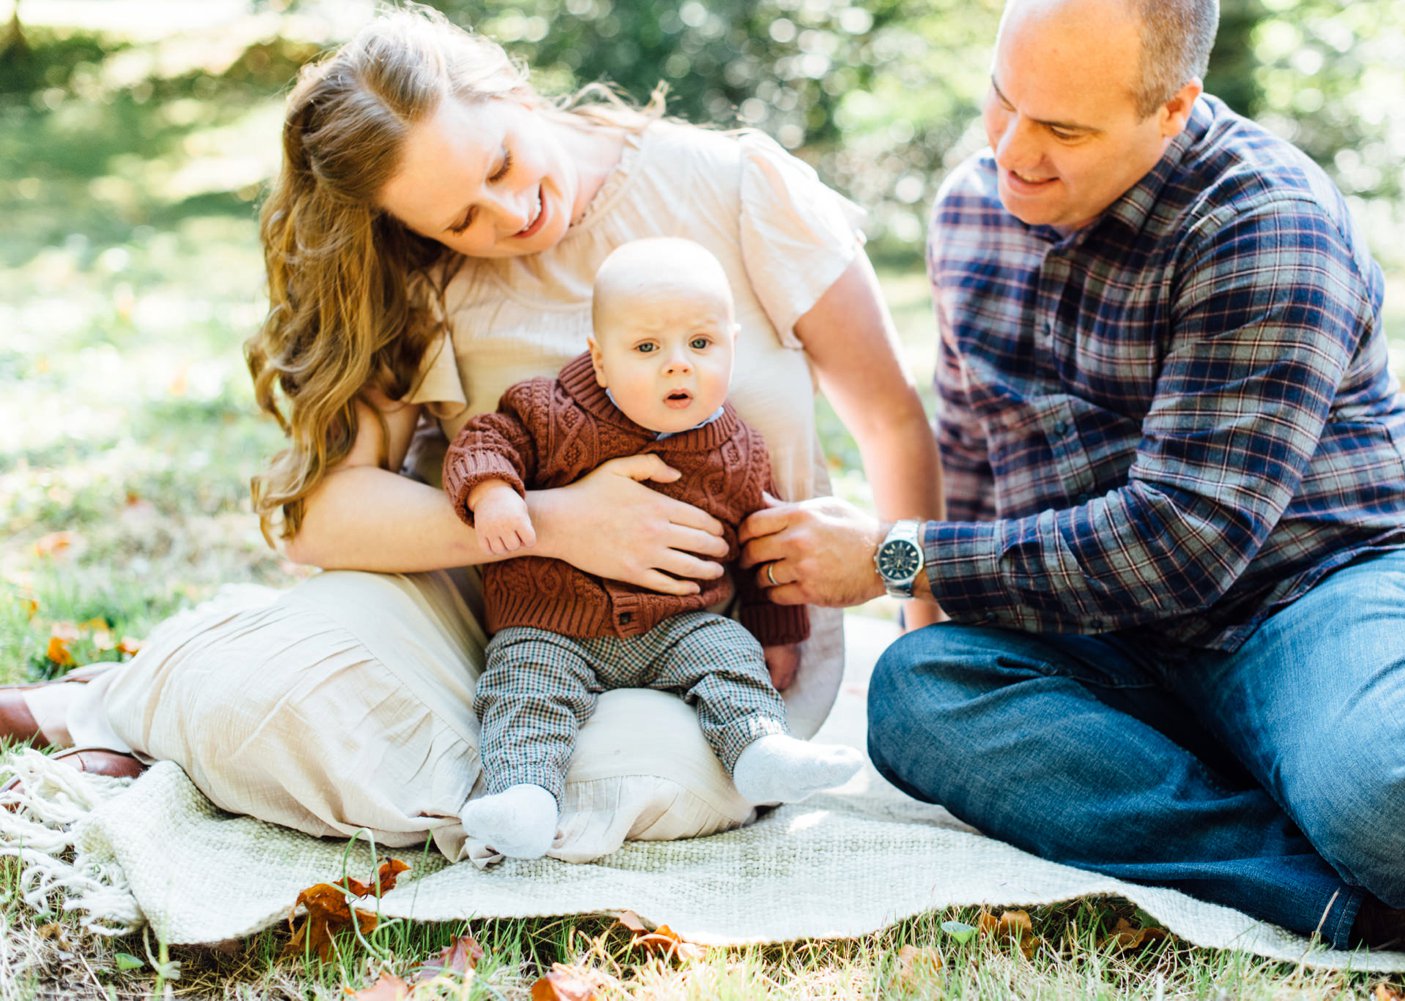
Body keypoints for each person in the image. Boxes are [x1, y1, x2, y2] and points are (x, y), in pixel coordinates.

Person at [0, 5, 940, 863]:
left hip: (716, 645)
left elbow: (893, 420)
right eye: (462, 218)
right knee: (286, 690)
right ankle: (140, 705)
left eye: (499, 164)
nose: (512, 215)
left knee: (653, 767)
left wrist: (921, 636)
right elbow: (320, 515)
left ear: (510, 89)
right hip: (512, 631)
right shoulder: (428, 280)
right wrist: (551, 521)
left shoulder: (737, 189)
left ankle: (492, 786)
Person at [739, 0, 1405, 980]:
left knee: (1402, 790)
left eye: (1063, 130)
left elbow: (1180, 540)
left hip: (1322, 585)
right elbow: (975, 457)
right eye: (1003, 100)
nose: (1013, 151)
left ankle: (1346, 772)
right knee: (919, 693)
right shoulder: (973, 209)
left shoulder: (1264, 222)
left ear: (1174, 108)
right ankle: (1373, 908)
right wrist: (931, 619)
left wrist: (894, 555)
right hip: (1118, 631)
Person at [447, 237, 862, 859]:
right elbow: (487, 440)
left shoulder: (740, 450)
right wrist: (495, 492)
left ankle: (759, 751)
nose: (678, 365)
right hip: (551, 621)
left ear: (731, 345)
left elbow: (761, 549)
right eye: (646, 348)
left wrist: (777, 633)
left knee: (729, 653)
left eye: (701, 344)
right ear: (601, 359)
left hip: (679, 624)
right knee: (523, 685)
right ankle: (524, 796)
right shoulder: (549, 411)